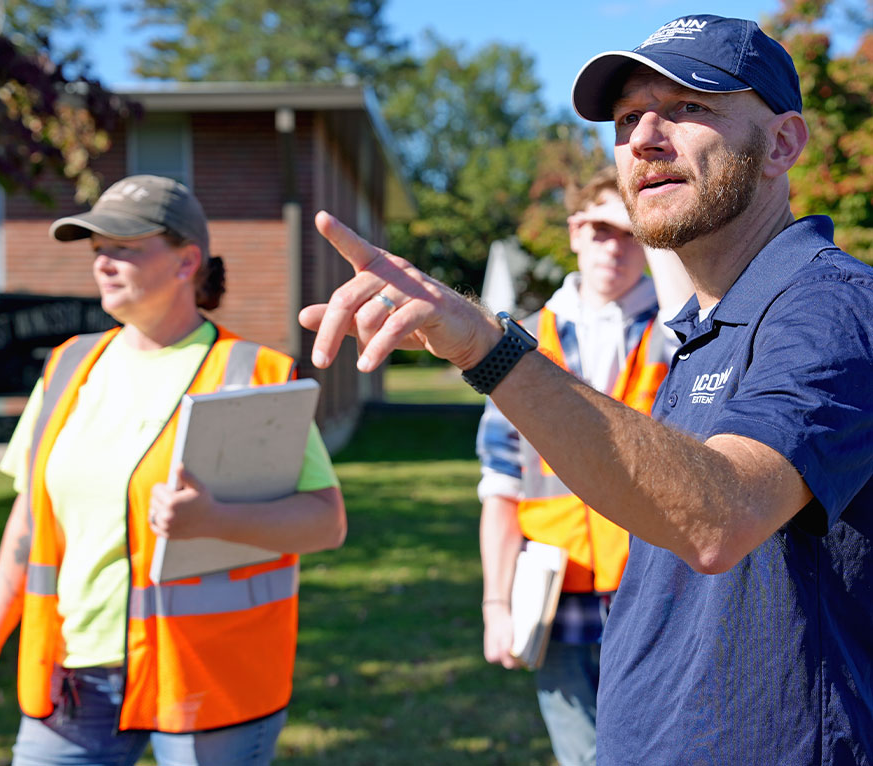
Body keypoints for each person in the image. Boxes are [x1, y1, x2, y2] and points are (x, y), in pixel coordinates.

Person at [299, 14, 873, 764]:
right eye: (627, 118)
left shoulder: (831, 306)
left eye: (688, 106)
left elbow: (719, 517)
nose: (643, 139)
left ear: (783, 143)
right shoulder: (706, 323)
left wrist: (487, 349)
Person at [0, 174, 347, 766]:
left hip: (207, 685)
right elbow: (27, 528)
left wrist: (213, 518)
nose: (103, 262)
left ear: (187, 262)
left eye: (124, 247)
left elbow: (325, 522)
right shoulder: (67, 367)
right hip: (74, 680)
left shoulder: (250, 373)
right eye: (97, 248)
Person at [476, 166, 690, 765]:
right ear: (574, 231)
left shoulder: (681, 333)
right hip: (555, 588)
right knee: (580, 755)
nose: (613, 246)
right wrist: (497, 604)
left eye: (630, 232)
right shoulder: (523, 341)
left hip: (656, 583)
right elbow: (501, 484)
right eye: (600, 229)